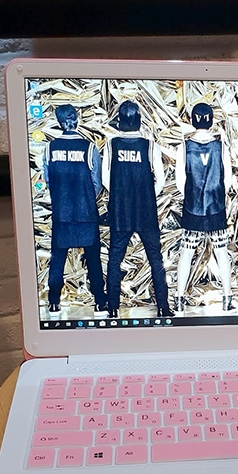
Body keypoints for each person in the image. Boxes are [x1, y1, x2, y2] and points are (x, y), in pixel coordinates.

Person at [102, 100, 173, 318]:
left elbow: (105, 179)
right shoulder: (150, 146)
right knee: (155, 259)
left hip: (121, 211)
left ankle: (113, 307)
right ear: (139, 120)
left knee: (115, 259)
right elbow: (160, 180)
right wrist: (148, 196)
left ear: (119, 121)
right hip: (145, 211)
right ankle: (163, 307)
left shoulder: (111, 145)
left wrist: (120, 194)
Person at [42, 104, 107, 316]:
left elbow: (48, 181)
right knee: (93, 260)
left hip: (62, 213)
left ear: (59, 123)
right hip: (86, 213)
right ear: (77, 120)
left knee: (57, 259)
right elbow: (97, 183)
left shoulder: (49, 149)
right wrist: (85, 199)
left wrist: (62, 199)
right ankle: (100, 302)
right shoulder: (89, 148)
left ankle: (53, 302)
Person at [174, 103, 236, 312]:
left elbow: (180, 180)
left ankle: (179, 298)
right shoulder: (221, 146)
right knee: (221, 252)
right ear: (211, 120)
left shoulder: (184, 146)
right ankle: (227, 298)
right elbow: (227, 179)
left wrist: (191, 196)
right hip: (216, 206)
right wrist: (217, 194)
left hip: (193, 207)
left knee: (186, 252)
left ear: (193, 120)